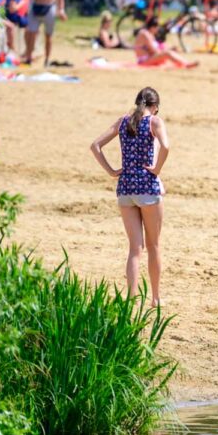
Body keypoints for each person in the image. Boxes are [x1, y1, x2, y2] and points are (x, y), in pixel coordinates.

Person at [89, 87, 170, 307]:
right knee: (153, 246)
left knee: (135, 248)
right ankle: (155, 298)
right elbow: (166, 146)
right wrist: (157, 169)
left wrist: (111, 171)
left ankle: (131, 298)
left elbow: (95, 146)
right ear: (155, 107)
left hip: (125, 188)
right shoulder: (155, 122)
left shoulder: (123, 121)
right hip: (147, 188)